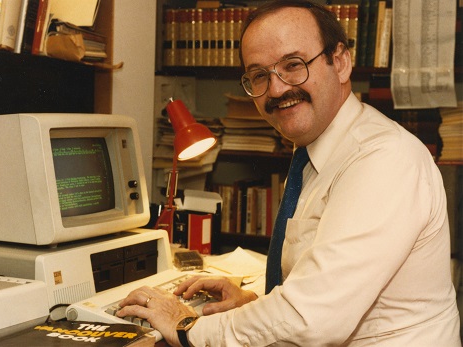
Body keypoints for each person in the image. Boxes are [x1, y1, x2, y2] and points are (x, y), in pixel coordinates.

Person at [116, 1, 461, 346]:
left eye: (293, 66)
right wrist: (253, 306)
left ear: (340, 62)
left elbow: (313, 319)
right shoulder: (314, 149)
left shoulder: (382, 160)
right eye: (260, 76)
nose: (277, 89)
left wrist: (186, 326)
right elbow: (318, 291)